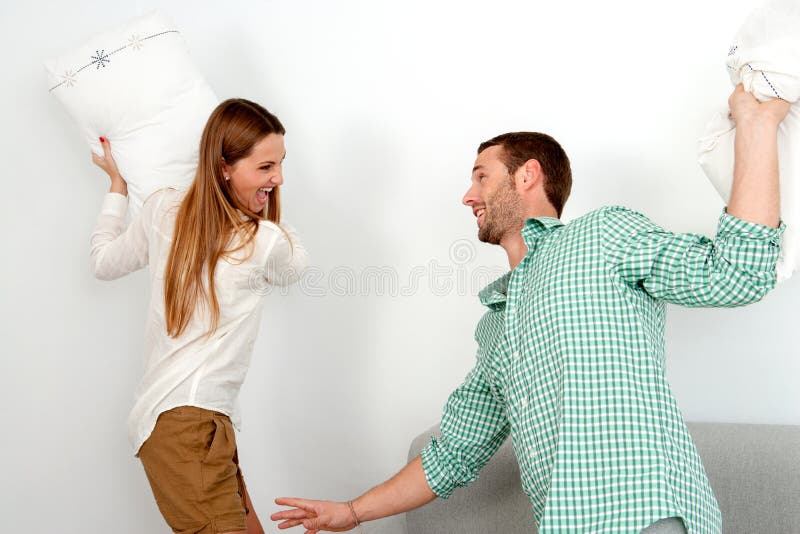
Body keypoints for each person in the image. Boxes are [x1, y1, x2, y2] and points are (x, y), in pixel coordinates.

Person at [269, 84, 789, 534]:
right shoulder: (497, 326)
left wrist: (756, 123)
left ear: (527, 176)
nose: (467, 195)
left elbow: (735, 274)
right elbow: (451, 455)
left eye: (481, 177)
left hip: (643, 515)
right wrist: (353, 511)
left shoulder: (602, 236)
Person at [90, 98, 308, 534]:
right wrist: (270, 218)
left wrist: (117, 186)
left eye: (281, 164)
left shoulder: (161, 210)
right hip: (193, 429)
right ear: (224, 166)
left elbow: (103, 262)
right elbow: (295, 267)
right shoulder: (265, 240)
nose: (279, 179)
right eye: (265, 167)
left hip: (187, 424)